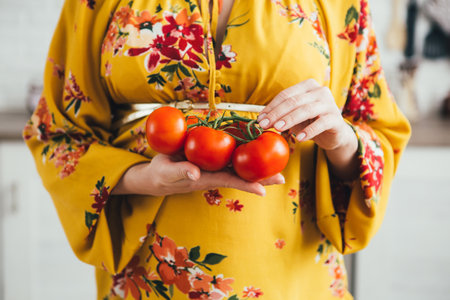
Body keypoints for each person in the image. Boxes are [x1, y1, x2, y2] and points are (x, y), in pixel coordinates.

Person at [23, 0, 411, 299]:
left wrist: (340, 138)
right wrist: (138, 178)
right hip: (150, 279)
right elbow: (56, 133)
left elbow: (379, 132)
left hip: (292, 275)